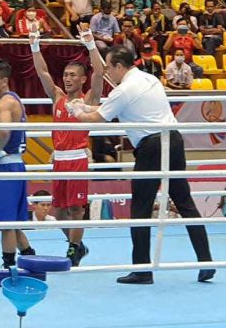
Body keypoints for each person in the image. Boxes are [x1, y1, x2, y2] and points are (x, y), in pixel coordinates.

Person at [68, 46, 214, 284]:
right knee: (185, 203)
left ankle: (142, 270)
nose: (106, 72)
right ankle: (206, 261)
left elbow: (97, 119)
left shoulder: (123, 89)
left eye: (108, 67)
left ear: (118, 66)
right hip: (173, 140)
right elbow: (112, 108)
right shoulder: (150, 79)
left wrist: (76, 111)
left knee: (141, 208)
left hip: (151, 147)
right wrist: (84, 106)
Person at [30, 26, 103, 266]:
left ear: (82, 79)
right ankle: (78, 245)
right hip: (59, 160)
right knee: (58, 212)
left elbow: (99, 74)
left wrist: (91, 45)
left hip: (78, 159)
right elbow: (42, 72)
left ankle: (73, 250)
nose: (68, 78)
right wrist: (34, 45)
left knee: (75, 209)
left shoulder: (88, 100)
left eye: (73, 75)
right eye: (66, 74)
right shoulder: (58, 98)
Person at [0, 59, 35, 269]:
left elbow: (4, 131)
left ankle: (8, 268)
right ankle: (30, 257)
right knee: (12, 220)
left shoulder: (4, 103)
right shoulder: (15, 100)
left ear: (4, 81)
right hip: (16, 166)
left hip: (6, 167)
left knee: (6, 223)